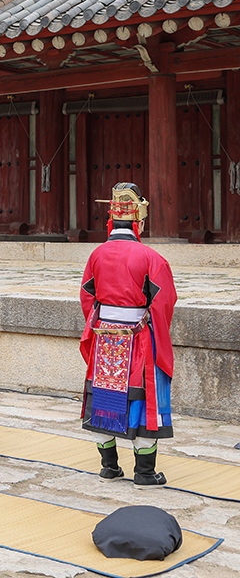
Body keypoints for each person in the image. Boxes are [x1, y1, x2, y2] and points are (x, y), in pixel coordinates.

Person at [80, 183, 176, 489]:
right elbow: (164, 302)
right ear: (140, 221)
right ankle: (145, 473)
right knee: (143, 398)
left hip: (105, 337)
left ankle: (109, 467)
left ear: (111, 218)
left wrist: (105, 326)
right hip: (139, 339)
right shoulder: (150, 258)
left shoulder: (96, 255)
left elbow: (87, 297)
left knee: (105, 397)